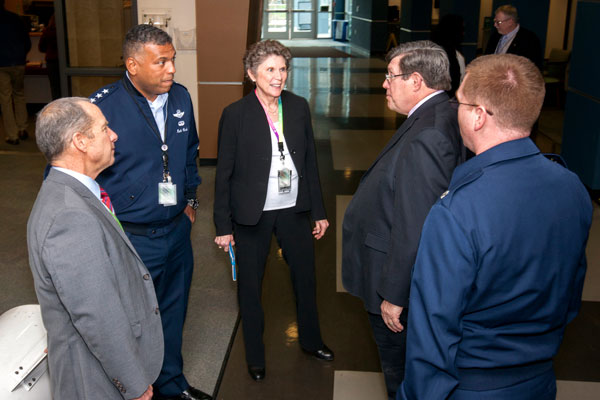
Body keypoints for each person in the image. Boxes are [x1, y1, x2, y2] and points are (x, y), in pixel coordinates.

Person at [398, 54, 593, 400]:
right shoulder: (573, 188)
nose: (454, 111)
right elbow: (570, 294)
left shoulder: (456, 212)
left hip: (470, 387)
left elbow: (433, 334)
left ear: (478, 116)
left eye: (459, 102)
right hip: (539, 380)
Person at [341, 40, 465, 400]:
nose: (384, 84)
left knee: (402, 377)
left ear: (416, 81)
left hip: (393, 284)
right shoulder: (437, 115)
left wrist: (395, 295)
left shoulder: (429, 135)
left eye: (390, 76)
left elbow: (416, 223)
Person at [91, 25, 207, 400]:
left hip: (176, 230)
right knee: (131, 321)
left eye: (172, 59)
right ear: (133, 65)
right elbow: (73, 174)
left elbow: (189, 152)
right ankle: (134, 390)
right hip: (131, 237)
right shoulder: (101, 108)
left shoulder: (180, 97)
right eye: (161, 62)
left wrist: (190, 201)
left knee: (172, 311)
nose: (171, 69)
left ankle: (171, 383)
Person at [27, 97, 163, 400]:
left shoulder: (74, 194)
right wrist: (134, 384)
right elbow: (97, 315)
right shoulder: (69, 216)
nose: (113, 135)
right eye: (104, 128)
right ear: (81, 142)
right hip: (95, 381)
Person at [214, 39, 333, 381]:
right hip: (252, 213)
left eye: (282, 69)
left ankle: (311, 341)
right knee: (250, 287)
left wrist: (319, 211)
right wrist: (223, 226)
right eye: (270, 69)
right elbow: (224, 175)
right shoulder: (235, 115)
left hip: (294, 208)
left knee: (306, 279)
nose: (278, 76)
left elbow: (309, 161)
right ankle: (255, 356)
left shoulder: (297, 106)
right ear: (252, 74)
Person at [0, 0, 31, 145]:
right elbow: (27, 42)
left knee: (5, 98)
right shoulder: (15, 18)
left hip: (1, 64)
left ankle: (12, 135)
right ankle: (23, 128)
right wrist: (21, 55)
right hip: (18, 62)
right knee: (19, 94)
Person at [485, 4, 543, 70]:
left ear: (510, 22)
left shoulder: (529, 39)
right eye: (494, 21)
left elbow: (532, 67)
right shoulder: (495, 35)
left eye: (498, 22)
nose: (495, 25)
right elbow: (486, 57)